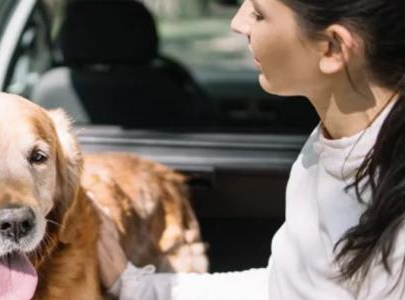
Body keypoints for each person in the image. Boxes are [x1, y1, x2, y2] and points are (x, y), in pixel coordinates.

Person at [97, 0, 405, 299]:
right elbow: (282, 289)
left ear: (332, 47)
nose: (238, 22)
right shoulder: (328, 147)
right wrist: (135, 287)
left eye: (258, 13)